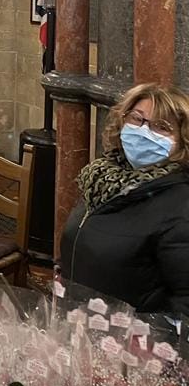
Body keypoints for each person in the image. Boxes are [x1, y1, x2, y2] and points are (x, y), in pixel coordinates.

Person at [60, 83, 189, 316]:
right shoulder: (101, 179)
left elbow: (185, 303)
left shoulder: (181, 204)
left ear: (182, 140)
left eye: (162, 127)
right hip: (82, 321)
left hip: (131, 342)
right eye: (137, 119)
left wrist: (145, 340)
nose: (144, 131)